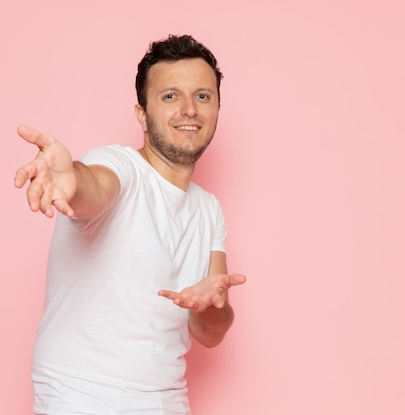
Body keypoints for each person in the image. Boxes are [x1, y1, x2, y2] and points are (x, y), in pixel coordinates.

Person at [14, 34, 246, 415]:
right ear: (142, 114)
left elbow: (211, 332)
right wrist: (72, 180)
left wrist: (208, 307)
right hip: (80, 395)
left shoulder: (209, 210)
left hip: (166, 399)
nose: (189, 109)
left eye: (203, 96)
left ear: (217, 108)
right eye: (170, 96)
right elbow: (96, 186)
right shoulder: (119, 165)